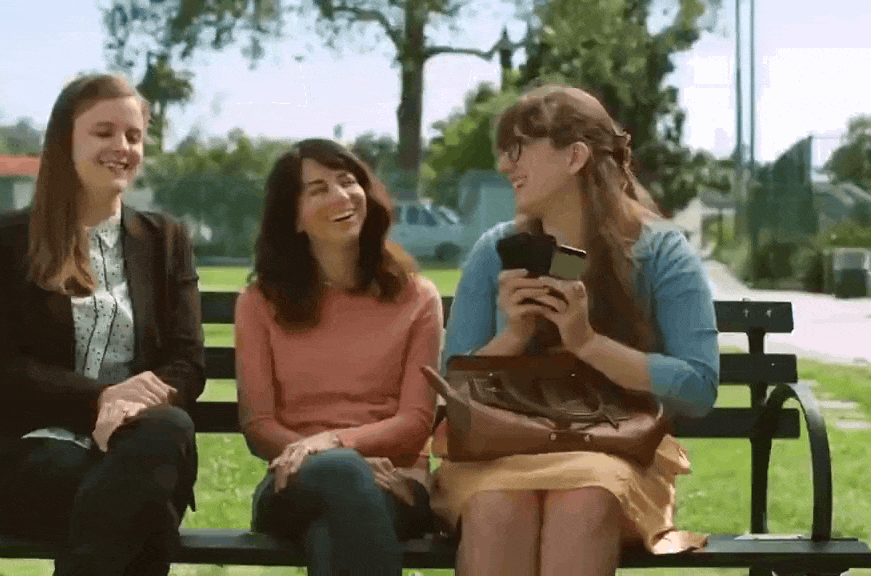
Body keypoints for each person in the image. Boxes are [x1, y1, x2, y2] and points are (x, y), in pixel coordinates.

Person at [431, 84, 719, 575]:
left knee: (584, 499)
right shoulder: (495, 251)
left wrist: (587, 343)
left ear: (575, 157)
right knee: (497, 506)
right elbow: (451, 388)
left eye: (519, 148)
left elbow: (698, 388)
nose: (504, 165)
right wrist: (514, 335)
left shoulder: (662, 253)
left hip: (615, 451)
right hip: (500, 451)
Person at [0, 73, 204, 576]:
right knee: (142, 510)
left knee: (162, 436)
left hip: (139, 447)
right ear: (64, 141)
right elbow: (0, 366)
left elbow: (187, 363)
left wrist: (131, 406)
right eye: (103, 132)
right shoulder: (4, 239)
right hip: (20, 455)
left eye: (134, 136)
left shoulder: (166, 240)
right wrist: (101, 398)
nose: (122, 147)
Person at [234, 138, 442, 574]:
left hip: (395, 483)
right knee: (343, 477)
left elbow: (415, 421)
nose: (341, 196)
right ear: (293, 217)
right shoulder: (259, 302)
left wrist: (334, 444)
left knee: (332, 530)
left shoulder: (418, 297)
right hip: (293, 482)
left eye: (348, 181)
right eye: (318, 189)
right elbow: (259, 425)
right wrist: (332, 457)